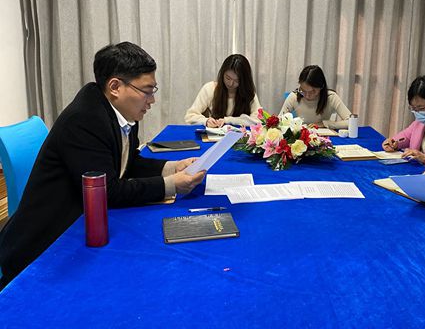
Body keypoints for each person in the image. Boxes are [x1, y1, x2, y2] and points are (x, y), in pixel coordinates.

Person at [0, 42, 206, 289]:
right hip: (45, 246)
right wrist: (172, 185)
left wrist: (172, 168)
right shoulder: (84, 120)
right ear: (115, 87)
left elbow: (127, 163)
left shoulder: (122, 111)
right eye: (146, 90)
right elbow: (108, 192)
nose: (152, 100)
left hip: (80, 224)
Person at [184, 54, 262, 127]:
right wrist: (206, 121)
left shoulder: (248, 93)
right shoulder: (210, 89)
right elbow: (190, 116)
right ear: (222, 74)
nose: (231, 84)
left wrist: (229, 120)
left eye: (237, 81)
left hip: (239, 136)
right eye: (228, 78)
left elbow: (258, 121)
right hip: (213, 135)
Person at [279, 65, 351, 129]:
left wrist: (325, 123)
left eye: (312, 91)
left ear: (321, 86)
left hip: (324, 136)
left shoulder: (331, 97)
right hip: (301, 136)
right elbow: (279, 121)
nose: (307, 95)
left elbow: (351, 122)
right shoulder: (294, 96)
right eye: (303, 90)